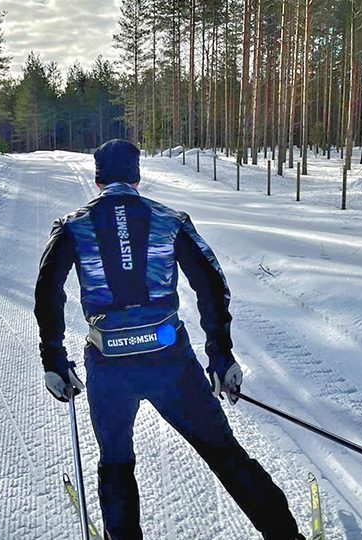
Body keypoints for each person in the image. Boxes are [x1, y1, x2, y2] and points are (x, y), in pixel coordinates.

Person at [34, 139, 303, 540]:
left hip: (109, 367)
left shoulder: (73, 225)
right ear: (137, 177)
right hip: (170, 364)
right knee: (224, 453)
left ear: (97, 179)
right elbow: (212, 285)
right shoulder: (169, 219)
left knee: (117, 462)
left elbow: (47, 291)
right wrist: (220, 355)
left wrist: (53, 359)